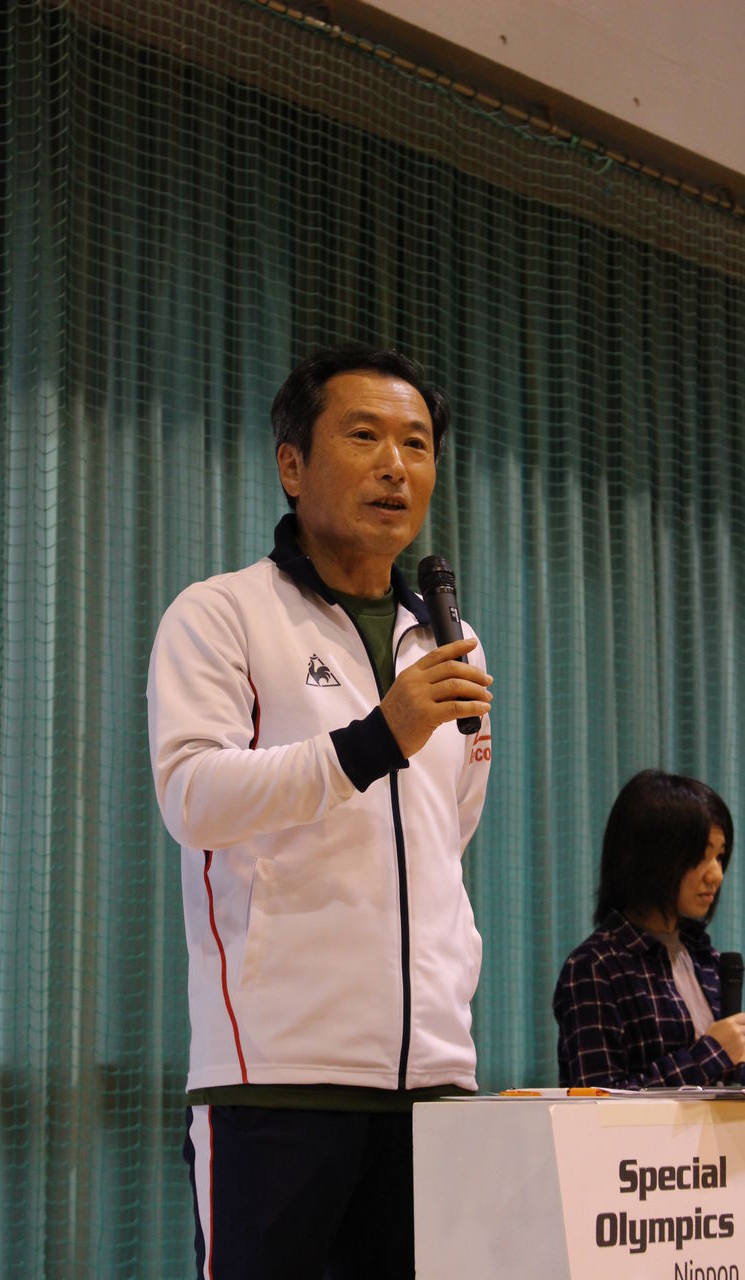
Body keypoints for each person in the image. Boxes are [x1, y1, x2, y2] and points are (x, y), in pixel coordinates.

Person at [147, 343, 494, 1279]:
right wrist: (374, 739)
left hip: (434, 1080)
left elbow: (445, 834)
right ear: (291, 464)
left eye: (416, 444)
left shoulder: (452, 643)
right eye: (365, 435)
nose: (395, 466)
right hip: (278, 1078)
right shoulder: (220, 614)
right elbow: (193, 797)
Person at [553, 768, 745, 1090]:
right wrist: (712, 1053)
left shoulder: (705, 958)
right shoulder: (596, 967)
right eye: (701, 856)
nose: (716, 875)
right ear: (653, 857)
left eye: (720, 856)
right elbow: (596, 1098)